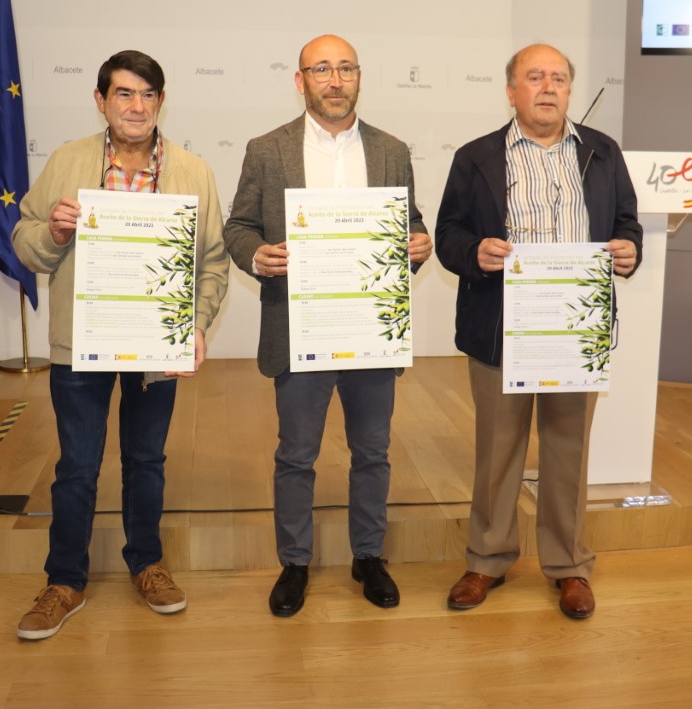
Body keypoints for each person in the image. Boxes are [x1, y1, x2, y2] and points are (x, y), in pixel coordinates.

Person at [11, 50, 229, 640]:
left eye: (148, 94)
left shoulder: (193, 171)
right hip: (81, 342)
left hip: (156, 342)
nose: (137, 106)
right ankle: (64, 581)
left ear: (162, 101)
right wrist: (54, 232)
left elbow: (213, 262)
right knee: (77, 467)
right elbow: (25, 240)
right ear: (101, 101)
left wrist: (195, 324)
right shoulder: (67, 161)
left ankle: (147, 564)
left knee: (146, 460)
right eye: (124, 94)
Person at [224, 34, 432, 617]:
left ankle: (369, 557)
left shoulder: (391, 150)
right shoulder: (267, 150)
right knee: (296, 455)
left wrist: (418, 244)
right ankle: (295, 562)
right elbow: (238, 226)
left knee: (373, 452)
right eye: (321, 69)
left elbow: (411, 222)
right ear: (301, 81)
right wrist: (256, 255)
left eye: (345, 68)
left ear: (359, 77)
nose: (334, 80)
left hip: (371, 328)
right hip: (300, 328)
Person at [434, 43, 641, 619]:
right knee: (497, 451)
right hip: (502, 327)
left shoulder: (602, 151)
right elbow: (448, 233)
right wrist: (474, 252)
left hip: (575, 327)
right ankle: (487, 559)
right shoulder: (476, 156)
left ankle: (569, 566)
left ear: (570, 91)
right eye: (535, 77)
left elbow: (626, 222)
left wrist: (630, 249)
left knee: (568, 452)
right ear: (511, 91)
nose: (548, 87)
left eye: (559, 78)